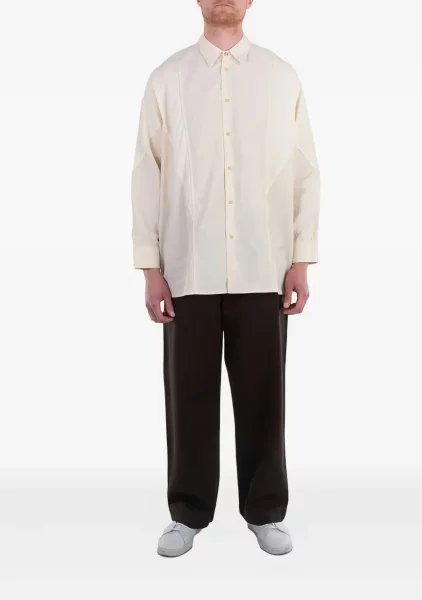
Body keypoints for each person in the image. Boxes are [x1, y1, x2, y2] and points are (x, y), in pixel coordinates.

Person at [131, 0, 320, 557]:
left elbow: (304, 171)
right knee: (187, 396)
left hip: (264, 265)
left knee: (264, 396)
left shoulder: (281, 77)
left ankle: (266, 511)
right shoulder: (167, 80)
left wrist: (301, 258)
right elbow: (146, 172)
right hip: (187, 267)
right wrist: (150, 267)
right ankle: (187, 513)